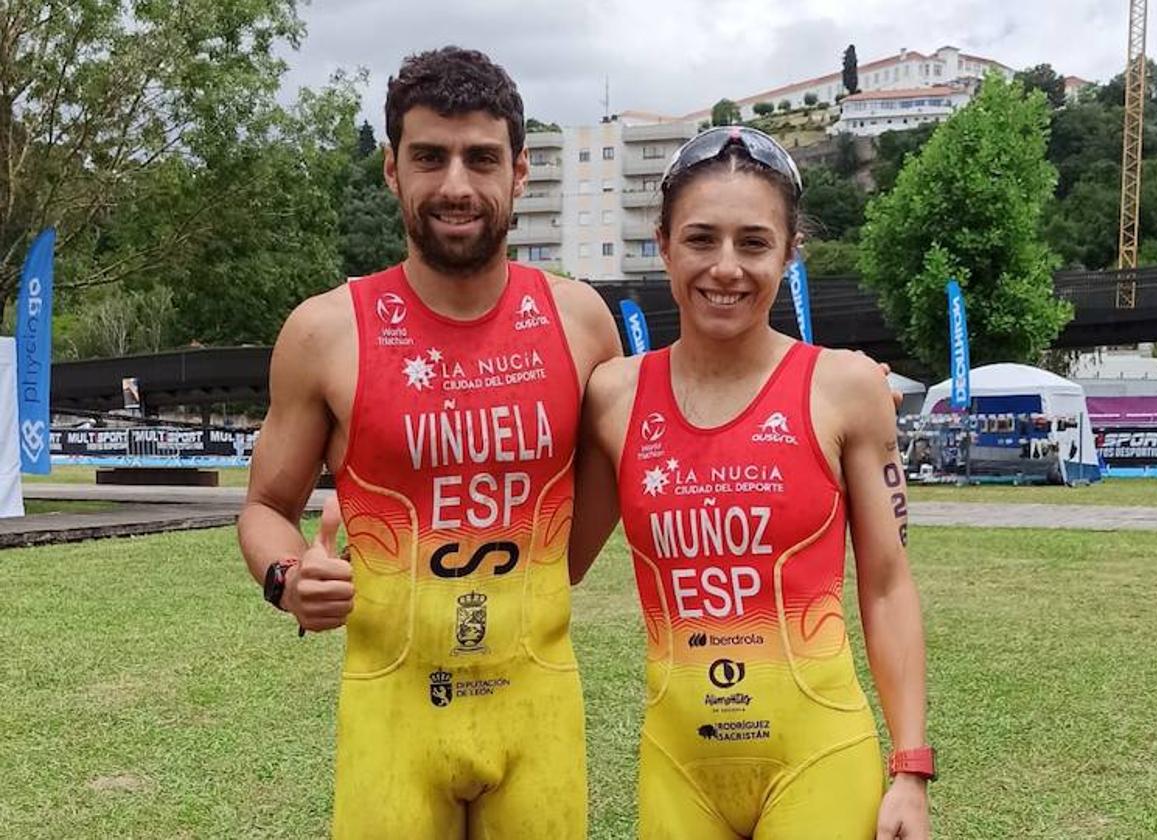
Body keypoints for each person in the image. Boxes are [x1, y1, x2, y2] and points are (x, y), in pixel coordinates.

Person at [237, 46, 621, 838]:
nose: (455, 185)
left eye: (481, 158)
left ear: (518, 172)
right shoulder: (325, 331)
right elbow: (266, 505)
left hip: (537, 706)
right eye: (429, 157)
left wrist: (546, 574)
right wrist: (286, 578)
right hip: (392, 712)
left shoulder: (580, 322)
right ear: (390, 170)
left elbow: (598, 505)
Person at [569, 127, 933, 839]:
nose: (725, 268)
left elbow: (887, 584)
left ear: (790, 251)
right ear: (663, 244)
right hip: (677, 771)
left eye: (753, 242)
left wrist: (910, 770)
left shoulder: (845, 387)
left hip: (819, 759)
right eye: (701, 239)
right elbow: (556, 564)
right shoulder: (611, 397)